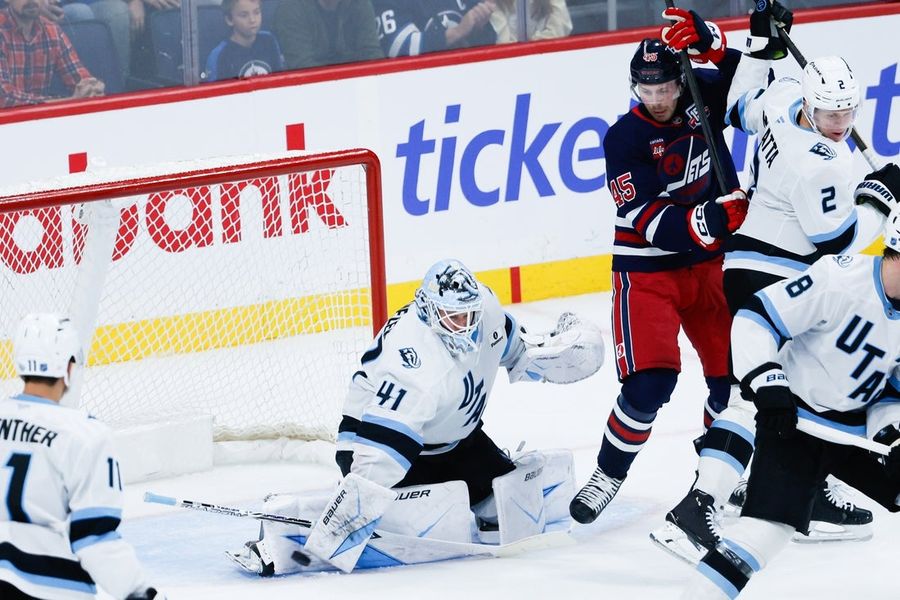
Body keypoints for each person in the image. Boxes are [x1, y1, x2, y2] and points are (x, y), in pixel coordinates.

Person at [656, 0, 900, 559]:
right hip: (777, 276)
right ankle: (700, 505)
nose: (840, 125)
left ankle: (789, 491)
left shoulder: (786, 97)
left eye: (846, 113)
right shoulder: (823, 165)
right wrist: (882, 201)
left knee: (776, 392)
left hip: (745, 264)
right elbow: (837, 243)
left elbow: (744, 96)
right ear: (814, 104)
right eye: (831, 115)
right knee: (783, 392)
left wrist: (757, 39)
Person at [228, 259, 605, 575]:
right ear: (428, 309)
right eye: (452, 317)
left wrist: (557, 356)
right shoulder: (415, 361)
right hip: (374, 442)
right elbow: (381, 456)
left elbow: (517, 352)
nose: (465, 326)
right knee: (405, 513)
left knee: (502, 505)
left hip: (455, 440)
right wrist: (344, 523)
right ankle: (296, 524)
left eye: (468, 315)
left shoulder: (486, 311)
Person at [568, 8, 747, 524]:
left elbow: (758, 81)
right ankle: (608, 475)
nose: (659, 97)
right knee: (650, 385)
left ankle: (717, 480)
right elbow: (647, 219)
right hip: (648, 273)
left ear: (678, 77)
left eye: (667, 85)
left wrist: (711, 41)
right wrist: (712, 216)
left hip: (711, 266)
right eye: (648, 89)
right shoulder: (622, 137)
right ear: (634, 86)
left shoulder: (702, 92)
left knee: (731, 380)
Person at [679, 211, 900, 599]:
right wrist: (767, 379)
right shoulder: (838, 278)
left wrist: (893, 436)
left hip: (855, 434)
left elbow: (891, 392)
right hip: (796, 423)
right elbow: (756, 316)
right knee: (763, 535)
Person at [0, 313, 161, 599]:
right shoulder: (85, 435)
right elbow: (94, 538)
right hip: (53, 590)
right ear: (68, 367)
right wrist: (141, 592)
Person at [0, 0, 104, 107]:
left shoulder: (52, 30)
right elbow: (3, 97)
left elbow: (79, 77)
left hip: (40, 118)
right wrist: (69, 101)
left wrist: (91, 88)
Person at [273, 0, 383, 70]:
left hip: (359, 85)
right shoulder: (290, 8)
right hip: (310, 91)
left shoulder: (359, 4)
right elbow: (302, 65)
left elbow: (372, 52)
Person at [371, 0, 497, 57]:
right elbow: (398, 46)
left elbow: (489, 41)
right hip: (419, 91)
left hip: (468, 79)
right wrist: (457, 32)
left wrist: (478, 28)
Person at [204, 0, 284, 81]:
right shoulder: (220, 55)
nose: (252, 20)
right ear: (229, 19)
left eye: (256, 12)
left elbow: (280, 79)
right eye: (244, 15)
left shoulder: (269, 40)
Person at [490, 0, 571, 43]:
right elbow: (504, 45)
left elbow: (560, 30)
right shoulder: (495, 3)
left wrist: (532, 46)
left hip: (547, 58)